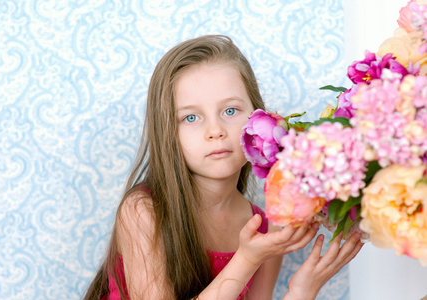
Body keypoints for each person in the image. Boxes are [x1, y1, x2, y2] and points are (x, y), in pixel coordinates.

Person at [83, 35, 364, 300]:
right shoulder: (143, 211)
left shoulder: (264, 225)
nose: (215, 130)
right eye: (191, 117)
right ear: (167, 131)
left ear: (259, 116)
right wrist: (247, 258)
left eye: (230, 111)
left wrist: (302, 290)